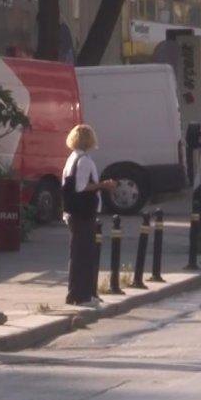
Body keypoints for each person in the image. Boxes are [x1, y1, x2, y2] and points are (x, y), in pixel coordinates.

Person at [62, 124, 116, 307]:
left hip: (75, 212)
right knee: (83, 254)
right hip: (82, 213)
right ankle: (80, 296)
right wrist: (103, 185)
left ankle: (81, 294)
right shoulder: (83, 160)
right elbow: (81, 187)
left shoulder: (73, 157)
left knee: (80, 253)